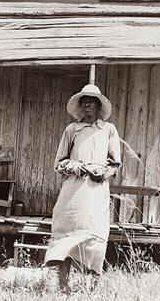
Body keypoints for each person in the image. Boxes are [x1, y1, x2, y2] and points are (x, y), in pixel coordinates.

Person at [44, 84, 122, 292]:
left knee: (94, 233)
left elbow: (114, 163)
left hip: (95, 191)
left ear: (98, 106)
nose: (87, 105)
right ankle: (58, 285)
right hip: (73, 191)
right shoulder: (72, 130)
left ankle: (90, 288)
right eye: (84, 101)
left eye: (92, 101)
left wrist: (102, 172)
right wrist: (75, 166)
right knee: (65, 233)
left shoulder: (108, 130)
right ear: (80, 106)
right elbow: (59, 163)